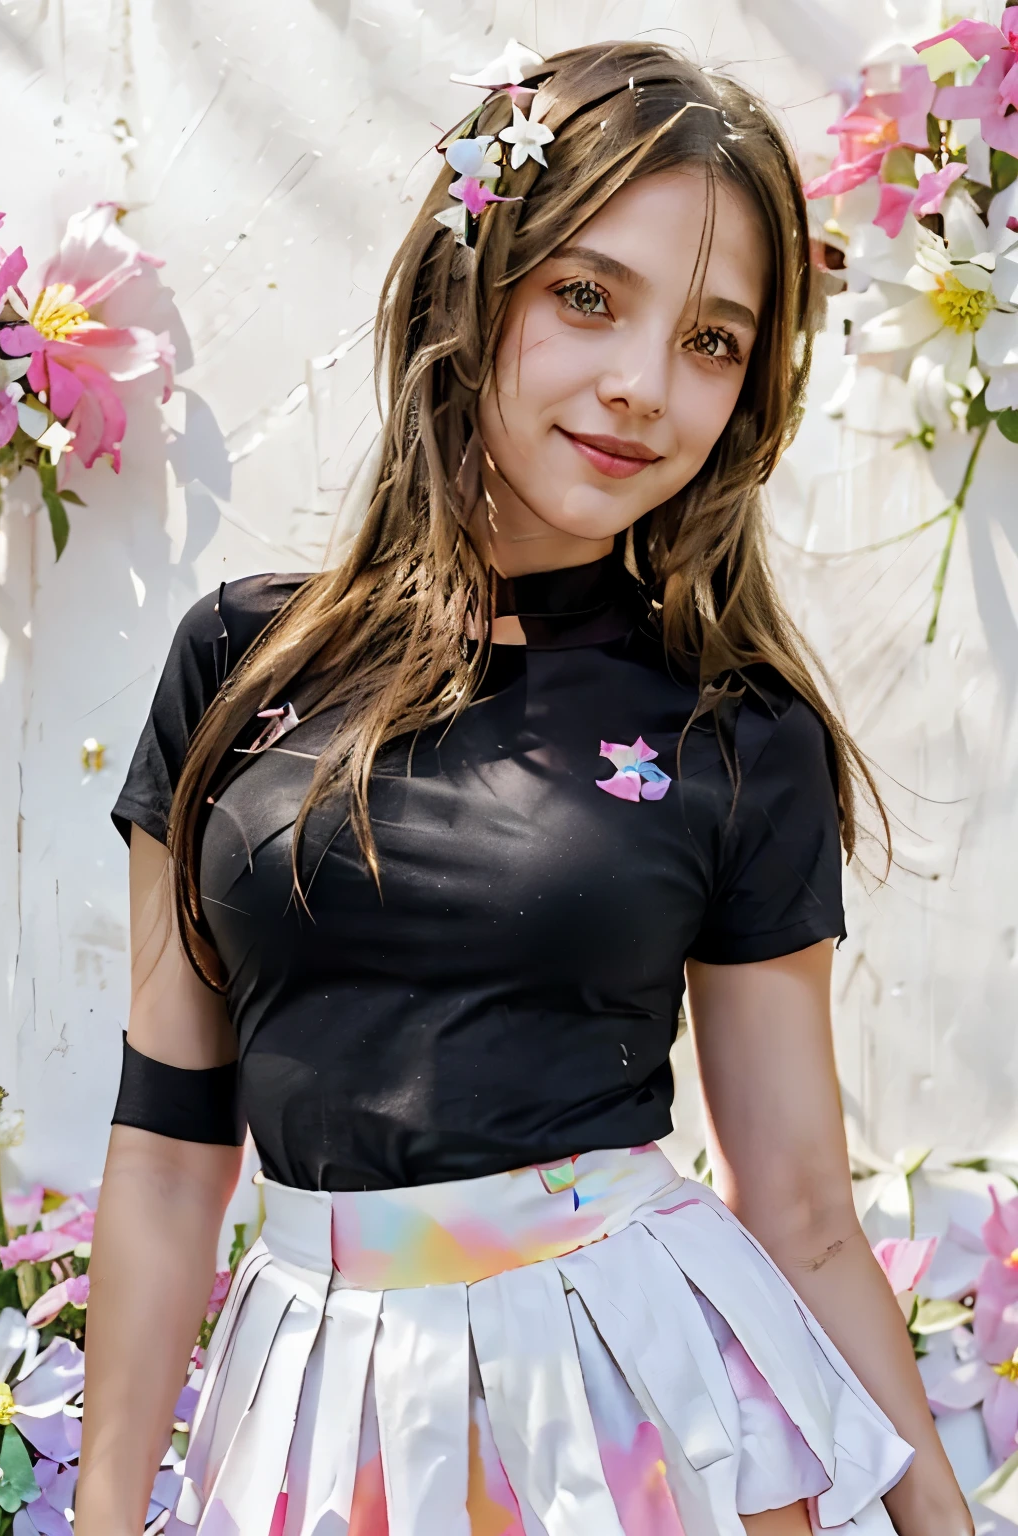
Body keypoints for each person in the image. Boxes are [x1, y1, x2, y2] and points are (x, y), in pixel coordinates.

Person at [75, 39, 974, 1536]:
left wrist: (944, 1524)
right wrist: (104, 1514)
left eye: (713, 341)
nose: (643, 388)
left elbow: (804, 1211)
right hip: (315, 1413)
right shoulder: (236, 659)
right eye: (588, 295)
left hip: (638, 1420)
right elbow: (171, 1146)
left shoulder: (735, 732)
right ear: (469, 281)